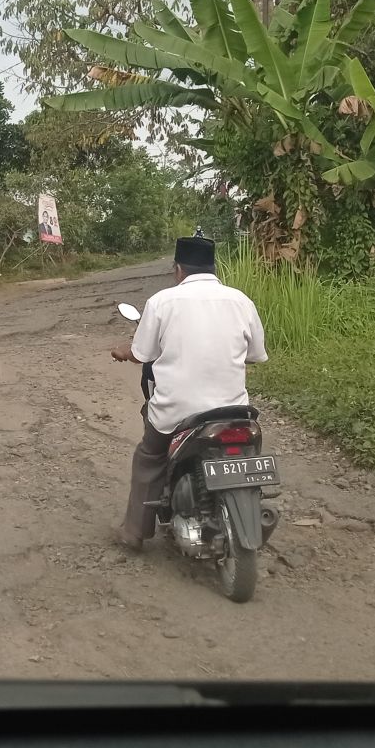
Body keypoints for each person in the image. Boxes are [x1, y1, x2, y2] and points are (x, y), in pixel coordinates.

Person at [109, 235, 268, 550]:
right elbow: (256, 354)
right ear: (213, 267)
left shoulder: (161, 302)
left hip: (178, 412)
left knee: (150, 456)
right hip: (233, 413)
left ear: (178, 269)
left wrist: (123, 351)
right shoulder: (241, 300)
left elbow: (141, 352)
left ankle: (134, 533)